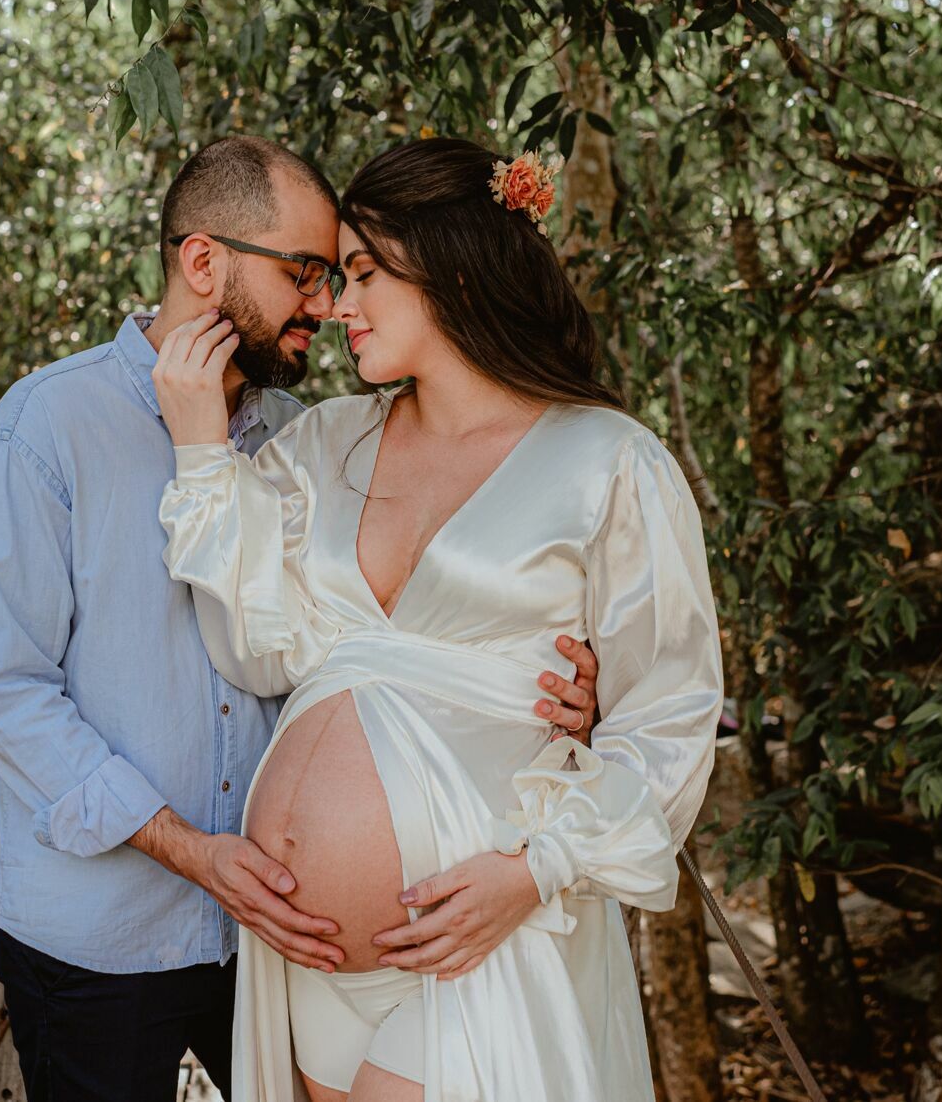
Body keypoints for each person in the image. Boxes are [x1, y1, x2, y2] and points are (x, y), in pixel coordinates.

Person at [0, 135, 601, 1102]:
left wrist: (541, 697)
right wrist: (189, 850)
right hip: (107, 937)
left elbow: (364, 649)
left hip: (287, 945)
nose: (326, 304)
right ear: (203, 262)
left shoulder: (310, 441)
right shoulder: (43, 431)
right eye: (306, 271)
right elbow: (9, 698)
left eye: (339, 274)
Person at [152, 137, 725, 1101]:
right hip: (306, 963)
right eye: (333, 278)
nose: (334, 305)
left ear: (453, 268)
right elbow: (255, 654)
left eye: (364, 273)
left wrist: (535, 872)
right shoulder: (322, 446)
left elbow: (668, 716)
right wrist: (203, 452)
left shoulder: (611, 463)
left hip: (480, 938)